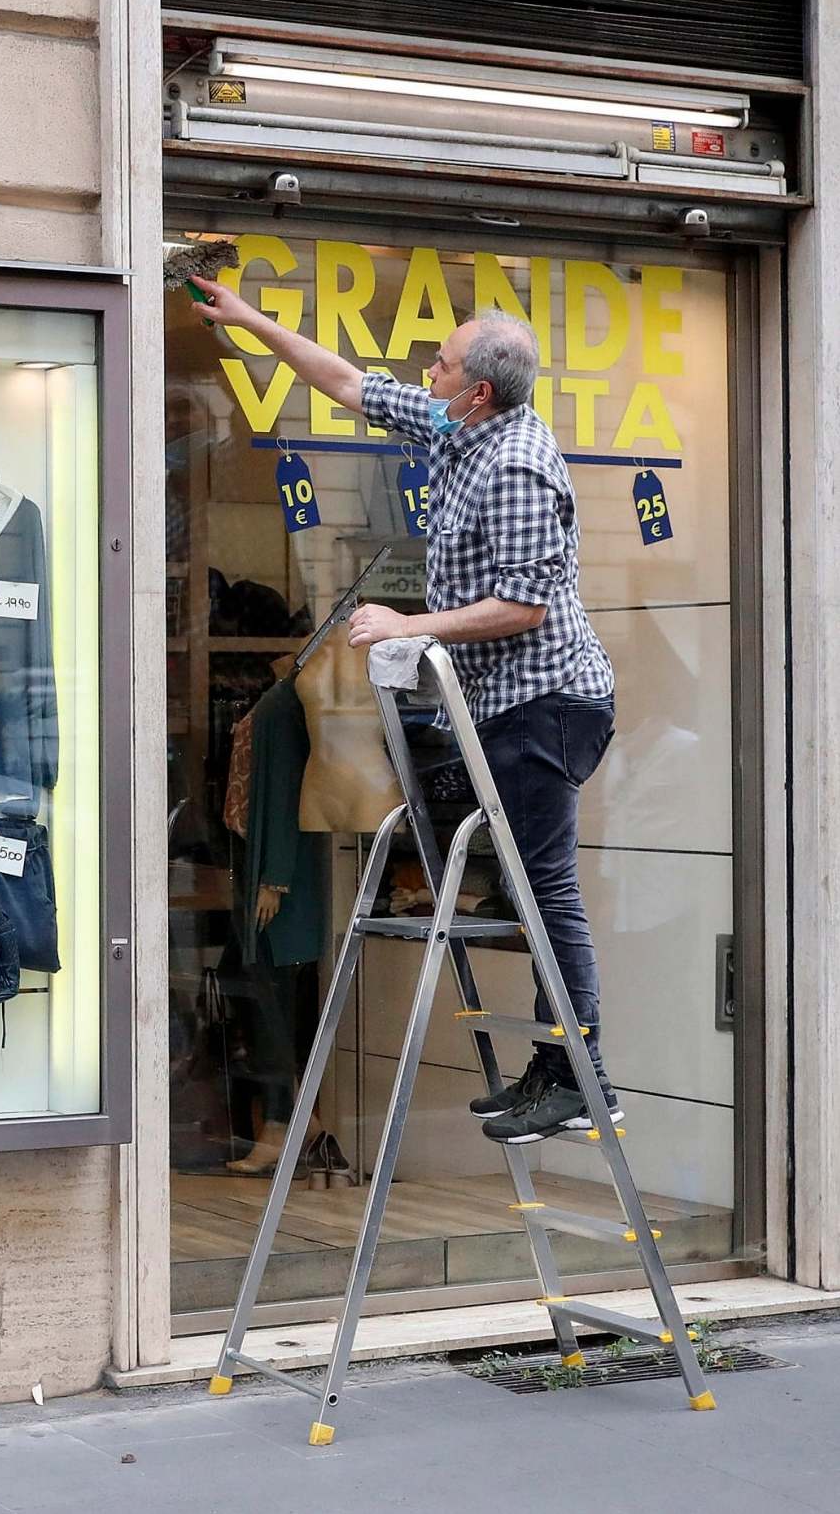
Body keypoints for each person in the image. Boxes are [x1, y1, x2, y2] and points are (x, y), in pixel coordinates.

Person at [188, 277, 619, 1146]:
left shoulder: (518, 466)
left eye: (442, 362)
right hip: (495, 708)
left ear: (479, 390)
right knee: (429, 784)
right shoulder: (457, 428)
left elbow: (527, 605)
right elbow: (350, 384)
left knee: (547, 889)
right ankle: (556, 1061)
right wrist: (249, 321)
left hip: (548, 706)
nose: (427, 369)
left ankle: (582, 1077)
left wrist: (408, 623)